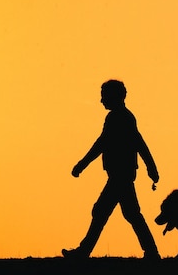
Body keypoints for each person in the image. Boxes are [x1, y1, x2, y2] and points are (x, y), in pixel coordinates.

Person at [62, 79, 161, 260]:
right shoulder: (124, 117)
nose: (101, 101)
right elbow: (137, 143)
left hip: (120, 175)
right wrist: (151, 167)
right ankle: (151, 252)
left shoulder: (119, 117)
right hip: (122, 174)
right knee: (129, 213)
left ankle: (83, 252)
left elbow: (103, 143)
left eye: (104, 96)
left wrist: (81, 165)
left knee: (103, 211)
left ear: (114, 96)